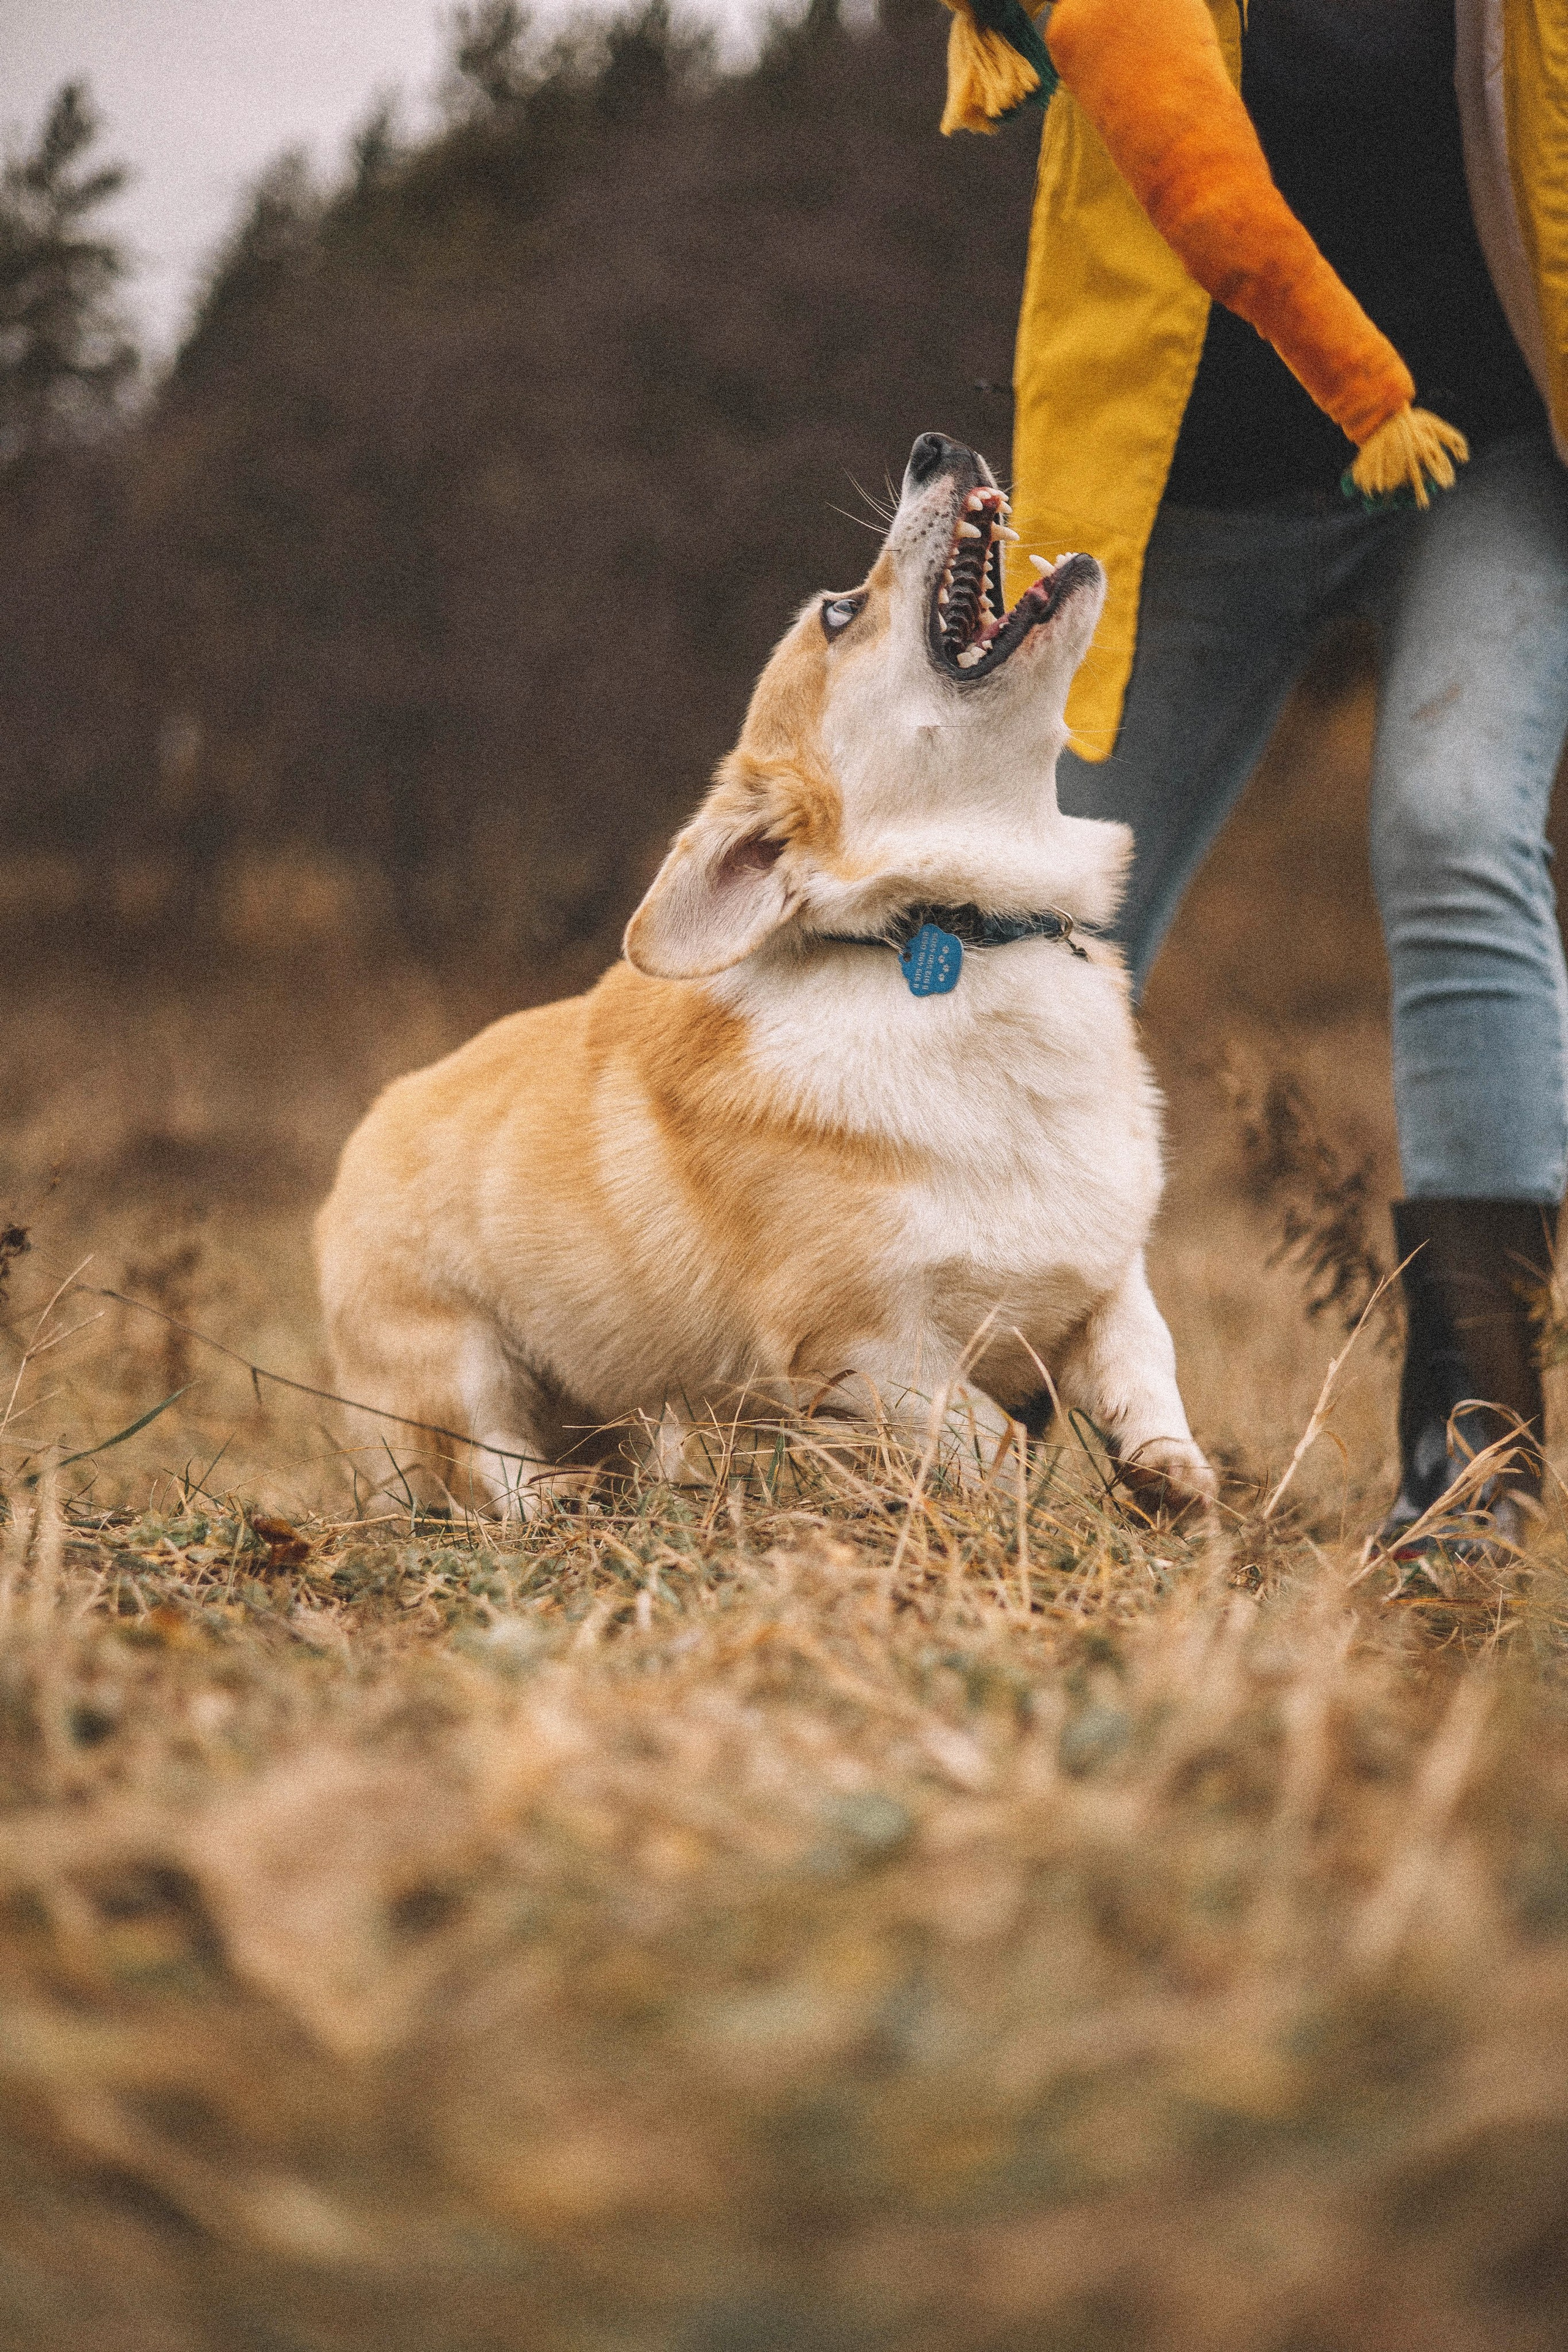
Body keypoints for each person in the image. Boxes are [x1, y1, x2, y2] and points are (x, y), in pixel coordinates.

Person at [941, 0, 1568, 1556]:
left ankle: (1475, 1464)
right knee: (1026, 909)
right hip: (1191, 485)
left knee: (1452, 822)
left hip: (1490, 454)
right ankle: (948, 1422)